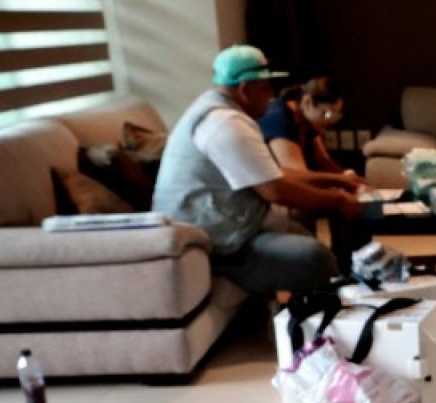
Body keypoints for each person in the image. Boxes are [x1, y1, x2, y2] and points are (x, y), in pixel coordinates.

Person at [153, 46, 361, 295]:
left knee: (312, 237)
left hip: (225, 230)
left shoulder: (220, 112)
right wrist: (338, 201)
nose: (271, 96)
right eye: (265, 88)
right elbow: (275, 190)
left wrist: (335, 181)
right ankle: (337, 310)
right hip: (214, 243)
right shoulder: (226, 123)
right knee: (313, 257)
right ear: (245, 89)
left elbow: (272, 173)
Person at [260, 77, 355, 177]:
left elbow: (323, 161)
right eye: (327, 114)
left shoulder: (308, 122)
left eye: (335, 116)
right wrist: (343, 182)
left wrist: (348, 177)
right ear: (307, 102)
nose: (330, 121)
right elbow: (299, 175)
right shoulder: (279, 118)